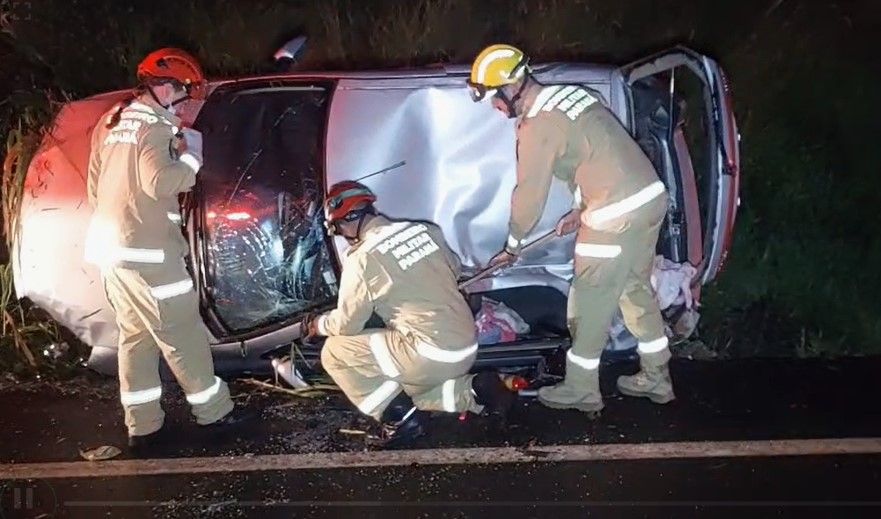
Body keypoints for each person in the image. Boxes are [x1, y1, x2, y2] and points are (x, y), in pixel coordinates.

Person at [466, 44, 675, 415]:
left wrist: (513, 245)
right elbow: (594, 150)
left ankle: (581, 389)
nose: (496, 110)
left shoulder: (536, 127)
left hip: (614, 216)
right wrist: (580, 208)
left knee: (587, 302)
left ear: (511, 89)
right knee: (634, 289)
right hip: (648, 198)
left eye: (494, 100)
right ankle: (657, 375)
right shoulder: (573, 95)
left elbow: (529, 194)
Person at [84, 47, 253, 452]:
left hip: (113, 253)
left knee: (136, 339)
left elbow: (94, 186)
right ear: (163, 86)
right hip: (151, 257)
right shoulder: (155, 128)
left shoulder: (110, 121)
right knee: (182, 335)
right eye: (183, 93)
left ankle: (143, 427)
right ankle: (215, 414)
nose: (184, 102)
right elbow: (159, 182)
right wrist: (192, 159)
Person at [300, 181, 516, 448]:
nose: (343, 237)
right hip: (466, 343)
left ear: (346, 222)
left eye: (339, 230)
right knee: (403, 391)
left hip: (430, 354)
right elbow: (455, 269)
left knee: (335, 352)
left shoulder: (362, 258)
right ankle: (480, 389)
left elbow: (348, 323)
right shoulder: (424, 230)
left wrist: (317, 325)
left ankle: (402, 422)